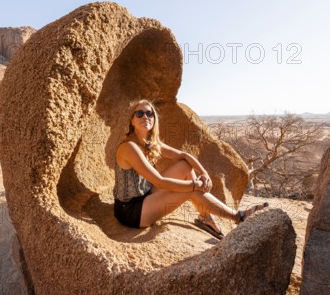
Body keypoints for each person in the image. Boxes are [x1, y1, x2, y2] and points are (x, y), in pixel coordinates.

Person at [113, 99, 268, 239]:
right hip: (131, 211)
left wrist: (204, 173)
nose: (145, 117)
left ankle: (205, 217)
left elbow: (184, 155)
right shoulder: (129, 147)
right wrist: (195, 186)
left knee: (185, 167)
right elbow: (160, 182)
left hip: (145, 195)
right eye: (139, 113)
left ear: (154, 119)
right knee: (191, 190)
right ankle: (238, 217)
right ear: (132, 121)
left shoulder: (150, 142)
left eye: (149, 113)